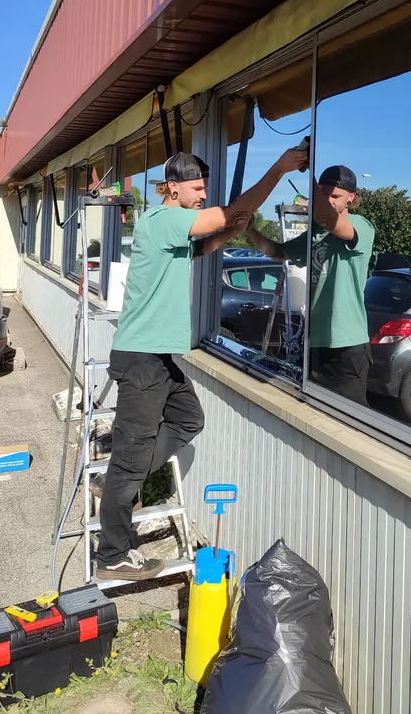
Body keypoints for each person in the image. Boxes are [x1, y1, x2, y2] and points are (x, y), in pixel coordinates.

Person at [95, 146, 307, 581]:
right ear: (173, 187)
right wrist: (279, 169)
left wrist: (231, 232)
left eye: (205, 187)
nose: (202, 194)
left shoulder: (167, 230)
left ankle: (118, 481)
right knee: (132, 458)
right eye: (197, 187)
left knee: (189, 419)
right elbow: (225, 213)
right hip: (142, 359)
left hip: (155, 356)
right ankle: (113, 554)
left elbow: (201, 247)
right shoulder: (162, 218)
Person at [248, 165, 375, 406]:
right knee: (317, 416)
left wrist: (310, 177)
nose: (328, 200)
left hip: (347, 346)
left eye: (335, 196)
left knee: (350, 426)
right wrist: (250, 230)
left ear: (351, 198)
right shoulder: (315, 234)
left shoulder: (362, 226)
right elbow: (278, 252)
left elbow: (331, 220)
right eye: (324, 194)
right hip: (315, 342)